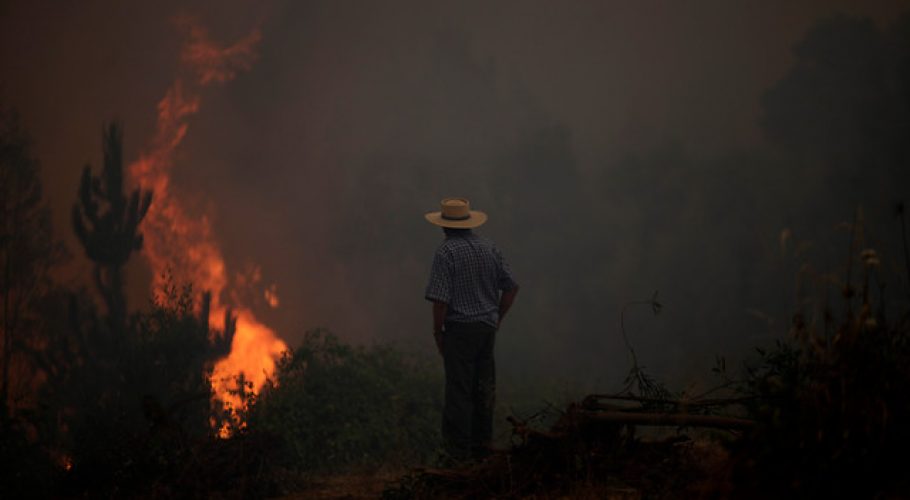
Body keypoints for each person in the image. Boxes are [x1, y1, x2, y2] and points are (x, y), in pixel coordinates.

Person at [423, 197, 519, 461]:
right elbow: (511, 287)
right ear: (468, 222)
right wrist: (497, 317)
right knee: (484, 389)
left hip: (460, 331)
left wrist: (437, 332)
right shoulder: (489, 247)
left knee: (459, 392)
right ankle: (482, 450)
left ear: (445, 226)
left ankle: (456, 455)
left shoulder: (446, 252)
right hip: (486, 330)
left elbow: (440, 300)